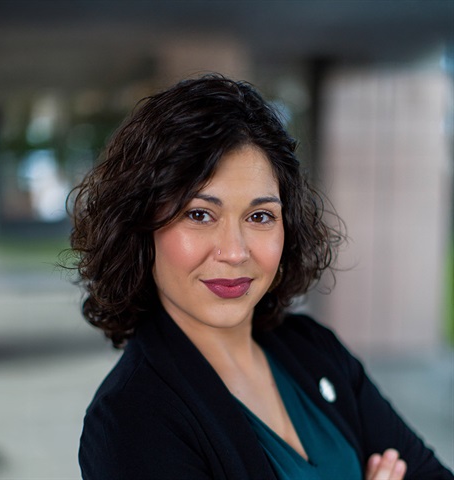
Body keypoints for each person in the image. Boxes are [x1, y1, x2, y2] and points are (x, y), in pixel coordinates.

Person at [68, 74, 453, 479]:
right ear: (141, 227)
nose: (235, 252)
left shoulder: (314, 349)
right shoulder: (130, 420)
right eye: (199, 214)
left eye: (259, 216)